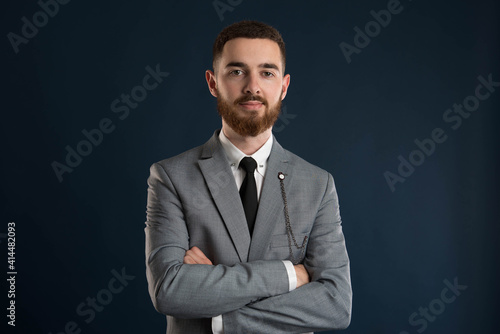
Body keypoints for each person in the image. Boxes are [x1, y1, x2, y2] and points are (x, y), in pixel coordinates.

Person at [145, 20, 352, 334]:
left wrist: (221, 313)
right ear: (213, 82)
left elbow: (336, 305)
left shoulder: (318, 185)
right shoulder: (170, 177)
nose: (252, 87)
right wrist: (288, 276)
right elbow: (169, 290)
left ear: (283, 86)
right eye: (237, 71)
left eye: (266, 72)